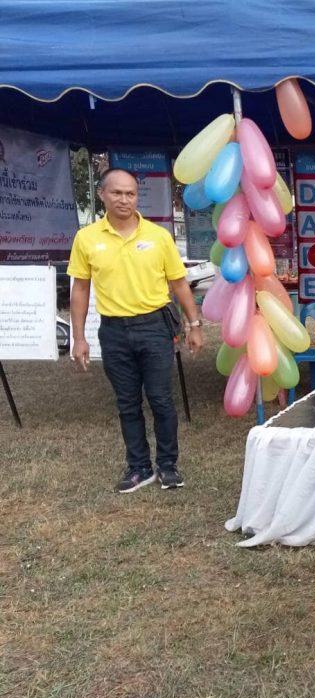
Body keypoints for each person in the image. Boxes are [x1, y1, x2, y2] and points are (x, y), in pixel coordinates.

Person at [68, 168, 203, 493]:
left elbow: (179, 283)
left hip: (154, 327)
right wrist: (79, 337)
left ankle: (168, 466)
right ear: (102, 194)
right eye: (117, 193)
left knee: (160, 399)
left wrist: (194, 324)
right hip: (113, 331)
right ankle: (139, 467)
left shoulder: (158, 236)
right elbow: (80, 289)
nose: (124, 199)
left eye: (130, 193)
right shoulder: (86, 238)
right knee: (127, 402)